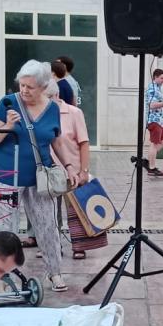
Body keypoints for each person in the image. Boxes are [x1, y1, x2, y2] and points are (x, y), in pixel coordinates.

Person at [0, 59, 67, 292]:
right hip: (5, 175)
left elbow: (56, 139)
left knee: (47, 226)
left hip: (39, 177)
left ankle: (55, 273)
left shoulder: (52, 108)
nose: (24, 90)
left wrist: (69, 164)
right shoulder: (7, 103)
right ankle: (1, 274)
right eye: (22, 85)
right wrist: (8, 126)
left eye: (30, 87)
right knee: (4, 228)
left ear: (43, 87)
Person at [51, 79, 105, 260]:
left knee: (75, 211)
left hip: (71, 170)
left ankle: (79, 246)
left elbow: (84, 143)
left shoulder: (74, 112)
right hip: (49, 172)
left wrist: (84, 170)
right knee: (50, 213)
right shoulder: (39, 114)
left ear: (56, 95)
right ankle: (53, 245)